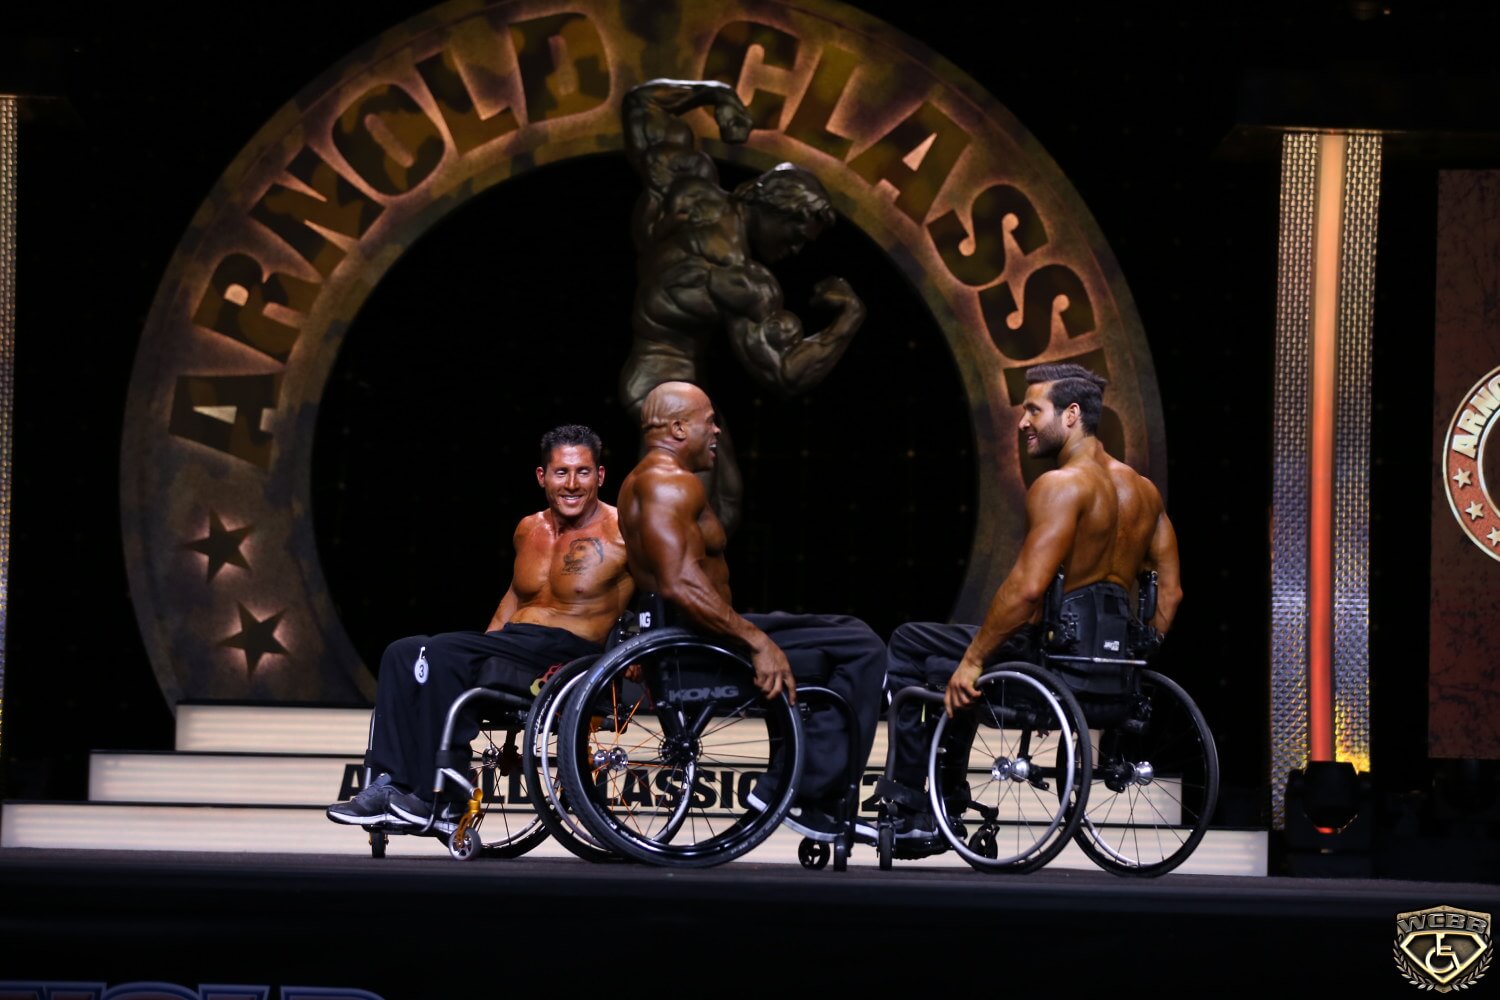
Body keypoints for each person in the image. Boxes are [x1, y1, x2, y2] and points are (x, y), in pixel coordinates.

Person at [882, 363, 1183, 844]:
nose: (1022, 422)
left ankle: (912, 804)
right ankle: (948, 792)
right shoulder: (1145, 494)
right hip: (1105, 671)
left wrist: (974, 660)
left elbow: (1026, 589)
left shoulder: (1061, 485)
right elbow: (1170, 593)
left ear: (1071, 415)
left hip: (1049, 658)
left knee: (911, 644)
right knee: (946, 655)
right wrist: (1128, 661)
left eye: (1033, 410)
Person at [326, 425, 633, 830]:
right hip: (516, 646)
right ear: (542, 476)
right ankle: (388, 784)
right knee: (402, 653)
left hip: (567, 655)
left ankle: (443, 799)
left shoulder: (623, 531)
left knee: (444, 652)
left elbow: (663, 588)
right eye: (561, 472)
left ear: (601, 476)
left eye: (583, 472)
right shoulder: (529, 529)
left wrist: (639, 649)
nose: (572, 484)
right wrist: (484, 650)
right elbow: (513, 600)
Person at [616, 381, 886, 841]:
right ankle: (802, 791)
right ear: (678, 428)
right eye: (709, 422)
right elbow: (680, 584)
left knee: (847, 634)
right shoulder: (669, 484)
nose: (717, 431)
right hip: (701, 644)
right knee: (861, 648)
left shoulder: (643, 482)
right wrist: (758, 643)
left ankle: (799, 779)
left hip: (696, 635)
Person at [621, 79, 866, 536]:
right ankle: (634, 581)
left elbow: (642, 101)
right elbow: (785, 375)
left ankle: (649, 574)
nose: (795, 250)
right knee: (685, 525)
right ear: (775, 209)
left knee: (723, 505)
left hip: (668, 384)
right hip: (667, 391)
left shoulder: (686, 185)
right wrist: (849, 318)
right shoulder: (744, 282)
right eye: (795, 236)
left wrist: (719, 94)